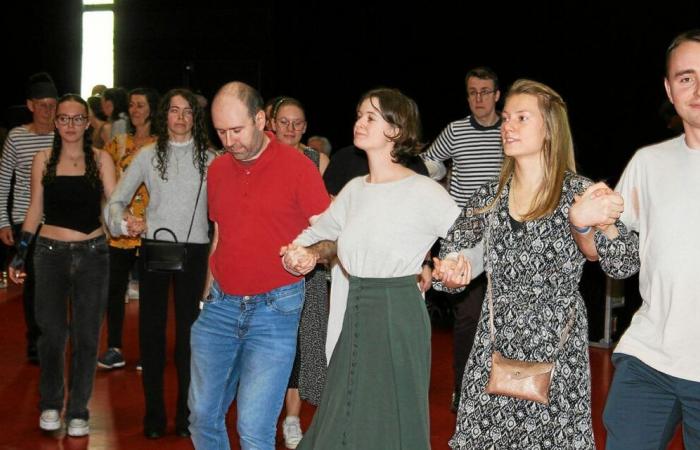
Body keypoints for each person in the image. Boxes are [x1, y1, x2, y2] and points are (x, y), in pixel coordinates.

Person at [435, 79, 640, 449]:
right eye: (507, 118)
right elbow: (455, 253)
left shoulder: (579, 191)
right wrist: (452, 270)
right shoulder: (490, 195)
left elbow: (623, 264)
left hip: (556, 347)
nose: (507, 126)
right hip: (494, 344)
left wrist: (605, 223)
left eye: (522, 118)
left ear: (549, 130)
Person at [283, 87, 461, 449]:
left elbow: (470, 238)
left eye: (371, 117)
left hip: (399, 312)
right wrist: (299, 253)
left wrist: (455, 262)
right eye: (359, 115)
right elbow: (315, 234)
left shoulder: (424, 191)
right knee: (343, 407)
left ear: (395, 130)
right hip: (355, 308)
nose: (359, 123)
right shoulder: (353, 190)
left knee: (392, 414)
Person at [187, 81, 330, 450]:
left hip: (275, 311)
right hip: (219, 306)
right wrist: (206, 298)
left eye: (237, 130)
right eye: (220, 132)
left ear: (260, 118)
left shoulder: (298, 166)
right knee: (202, 417)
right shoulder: (217, 169)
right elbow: (219, 236)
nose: (229, 141)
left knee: (253, 429)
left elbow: (332, 236)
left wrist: (313, 254)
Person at [599, 29, 700, 450]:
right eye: (686, 78)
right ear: (669, 88)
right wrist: (586, 224)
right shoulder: (648, 162)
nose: (697, 89)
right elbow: (607, 252)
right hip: (650, 357)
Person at [105, 88, 215, 438]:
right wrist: (124, 224)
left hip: (196, 253)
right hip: (155, 249)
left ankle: (186, 417)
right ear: (164, 115)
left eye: (187, 112)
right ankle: (153, 417)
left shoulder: (211, 159)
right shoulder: (148, 155)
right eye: (174, 111)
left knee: (190, 339)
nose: (181, 118)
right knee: (151, 337)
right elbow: (115, 202)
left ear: (195, 119)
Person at [8, 93, 116, 436]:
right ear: (56, 122)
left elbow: (114, 206)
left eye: (77, 118)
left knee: (86, 338)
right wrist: (20, 253)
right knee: (51, 337)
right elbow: (34, 210)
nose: (70, 125)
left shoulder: (102, 160)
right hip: (49, 254)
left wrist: (130, 223)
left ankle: (79, 410)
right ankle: (51, 404)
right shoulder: (42, 159)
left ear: (87, 123)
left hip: (93, 255)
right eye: (64, 118)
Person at [421, 66, 504, 411]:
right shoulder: (455, 131)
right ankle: (463, 389)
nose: (479, 98)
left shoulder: (510, 131)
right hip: (462, 237)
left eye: (485, 91)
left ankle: (501, 392)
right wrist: (440, 180)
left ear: (497, 95)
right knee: (468, 318)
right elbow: (427, 163)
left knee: (502, 318)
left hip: (503, 235)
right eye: (473, 92)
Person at [271, 96, 330, 449]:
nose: (291, 129)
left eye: (298, 123)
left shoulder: (316, 160)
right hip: (266, 264)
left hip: (306, 265)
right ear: (272, 123)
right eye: (285, 122)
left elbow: (325, 218)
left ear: (305, 127)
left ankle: (292, 418)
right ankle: (265, 414)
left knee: (305, 343)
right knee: (269, 344)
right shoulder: (258, 159)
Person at [98, 88, 159, 370]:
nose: (135, 110)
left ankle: (149, 350)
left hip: (151, 228)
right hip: (121, 230)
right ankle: (114, 347)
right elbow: (106, 180)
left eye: (141, 105)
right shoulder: (118, 143)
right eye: (132, 105)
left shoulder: (161, 144)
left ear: (152, 109)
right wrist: (108, 217)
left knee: (151, 293)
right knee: (114, 289)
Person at [0, 72, 57, 364]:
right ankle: (35, 338)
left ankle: (54, 334)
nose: (49, 110)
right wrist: (3, 221)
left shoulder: (64, 134)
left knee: (58, 282)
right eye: (43, 105)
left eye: (53, 104)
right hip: (26, 219)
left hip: (59, 220)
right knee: (33, 282)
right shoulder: (16, 136)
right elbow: (3, 180)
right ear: (30, 105)